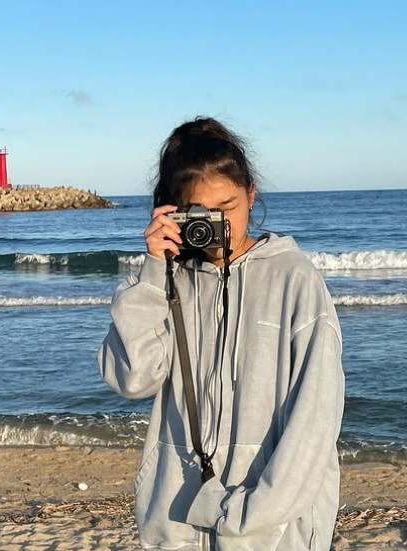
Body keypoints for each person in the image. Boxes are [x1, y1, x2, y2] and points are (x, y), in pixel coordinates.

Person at [97, 117, 345, 551]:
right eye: (202, 212)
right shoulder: (168, 283)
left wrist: (255, 512)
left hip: (271, 529)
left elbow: (316, 415)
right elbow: (133, 380)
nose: (220, 224)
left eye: (228, 206)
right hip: (177, 517)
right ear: (174, 212)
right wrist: (153, 274)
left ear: (251, 192)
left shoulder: (294, 278)